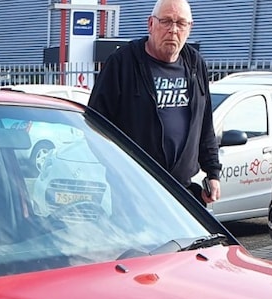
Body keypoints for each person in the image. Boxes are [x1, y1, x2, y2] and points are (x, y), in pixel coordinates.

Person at [87, 0, 221, 206]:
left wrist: (213, 173)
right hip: (133, 191)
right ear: (150, 24)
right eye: (166, 21)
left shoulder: (195, 64)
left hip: (182, 192)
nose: (173, 30)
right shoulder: (123, 63)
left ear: (189, 28)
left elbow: (205, 125)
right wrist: (118, 171)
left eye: (181, 23)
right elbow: (95, 126)